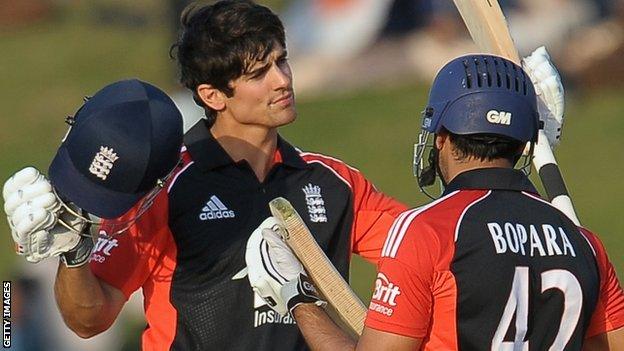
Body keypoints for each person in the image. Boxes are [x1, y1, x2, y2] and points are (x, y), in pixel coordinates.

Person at [4, 1, 407, 350]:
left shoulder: (333, 182)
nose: (282, 80)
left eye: (281, 60)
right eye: (258, 73)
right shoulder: (164, 190)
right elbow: (89, 320)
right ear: (213, 95)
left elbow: (425, 254)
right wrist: (74, 256)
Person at [245, 54, 624, 350]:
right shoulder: (584, 244)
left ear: (442, 136)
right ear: (523, 143)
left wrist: (296, 297)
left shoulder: (427, 230)